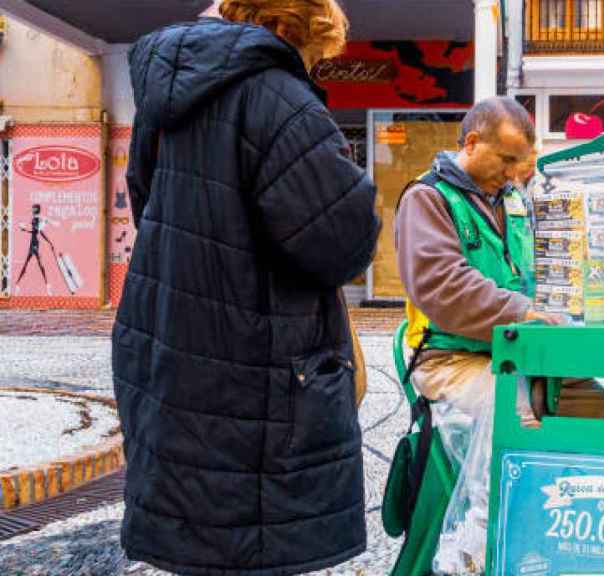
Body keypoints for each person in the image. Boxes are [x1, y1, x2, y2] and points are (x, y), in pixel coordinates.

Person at [113, 1, 379, 574]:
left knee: (196, 529)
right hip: (259, 363)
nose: (308, 70)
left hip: (170, 341)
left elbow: (144, 200)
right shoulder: (278, 99)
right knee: (255, 541)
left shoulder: (163, 99)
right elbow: (341, 240)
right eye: (310, 56)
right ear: (284, 29)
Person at [395, 97, 604, 573]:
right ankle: (474, 547)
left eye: (522, 164)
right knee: (510, 404)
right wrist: (523, 311)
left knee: (593, 401)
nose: (516, 174)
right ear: (471, 143)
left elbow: (537, 271)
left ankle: (556, 517)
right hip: (448, 360)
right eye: (508, 160)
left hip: (515, 351)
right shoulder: (427, 198)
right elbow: (442, 286)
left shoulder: (510, 199)